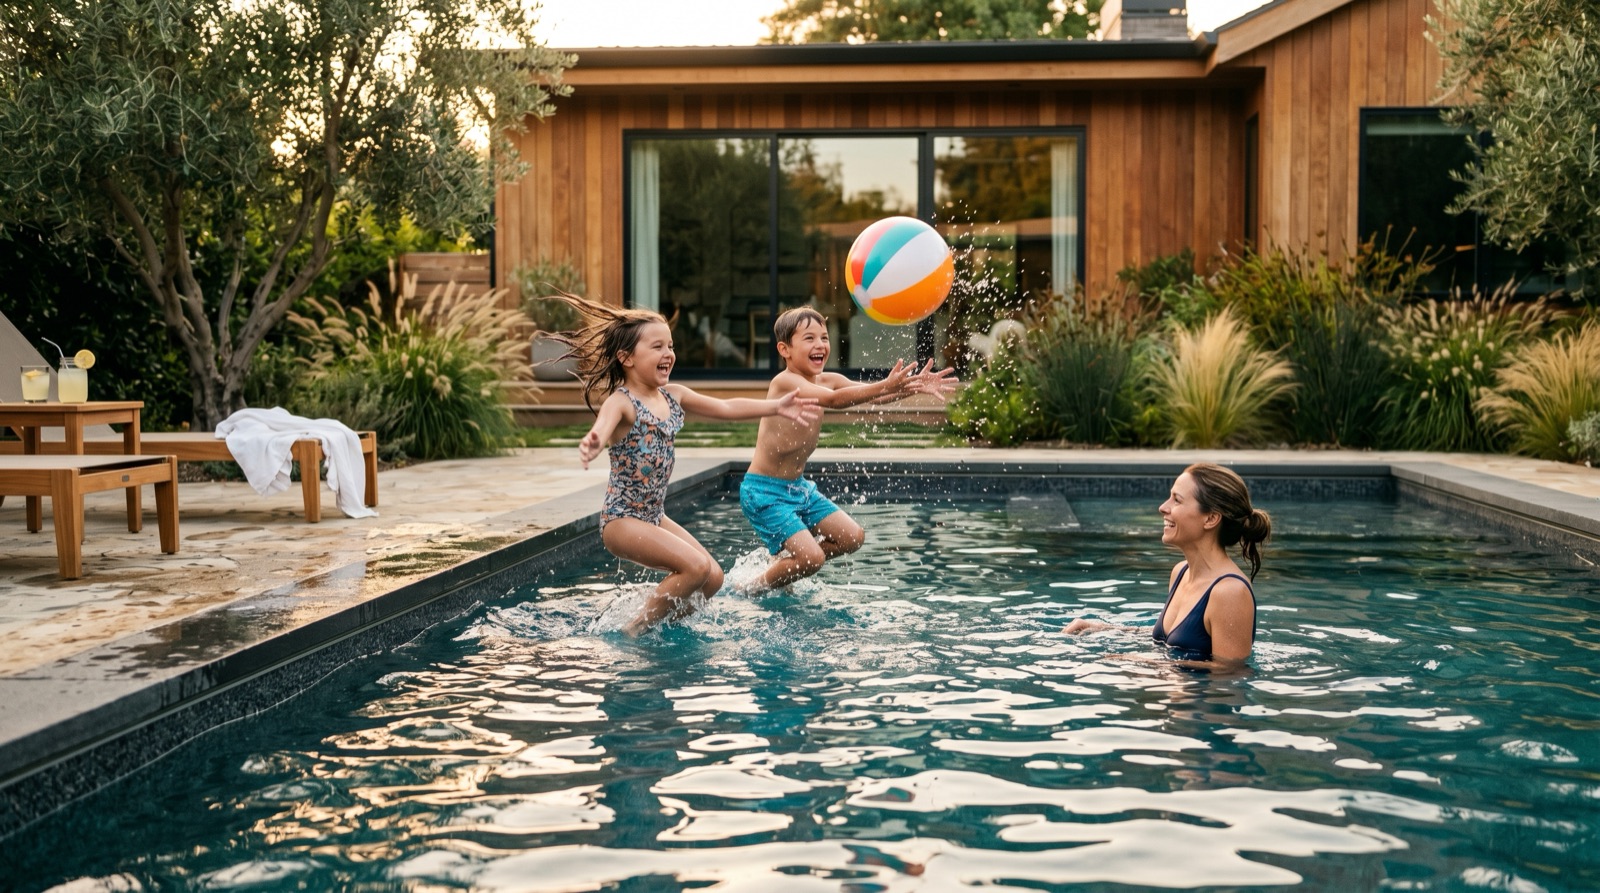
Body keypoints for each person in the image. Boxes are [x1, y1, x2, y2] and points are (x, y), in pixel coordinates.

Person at [555, 292, 822, 636]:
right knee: (694, 567)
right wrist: (594, 441)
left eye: (670, 346)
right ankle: (633, 630)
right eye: (657, 347)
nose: (668, 354)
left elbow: (725, 408)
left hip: (654, 515)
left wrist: (775, 407)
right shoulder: (623, 402)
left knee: (712, 577)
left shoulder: (673, 395)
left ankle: (660, 627)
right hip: (622, 519)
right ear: (626, 358)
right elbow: (604, 424)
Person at [739, 307, 957, 592]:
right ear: (785, 349)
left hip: (798, 488)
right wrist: (887, 383)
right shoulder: (785, 383)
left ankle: (789, 561)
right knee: (812, 558)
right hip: (764, 491)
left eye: (824, 338)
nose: (820, 345)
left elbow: (875, 396)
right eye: (809, 339)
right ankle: (749, 589)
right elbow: (835, 400)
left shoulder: (827, 380)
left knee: (851, 537)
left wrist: (911, 387)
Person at [1065, 462, 1271, 665]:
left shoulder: (1230, 592)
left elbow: (1232, 673)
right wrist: (1102, 628)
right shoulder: (1180, 573)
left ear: (1211, 518)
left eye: (1177, 501)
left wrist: (1147, 665)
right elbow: (1175, 641)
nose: (1163, 508)